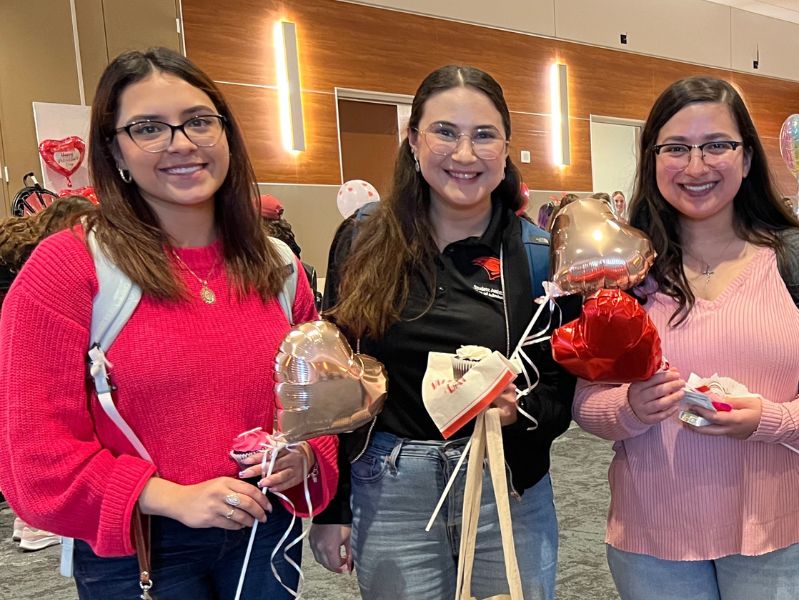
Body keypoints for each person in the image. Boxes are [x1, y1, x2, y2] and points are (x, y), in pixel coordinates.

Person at [0, 47, 335, 598]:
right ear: (115, 149)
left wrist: (304, 459)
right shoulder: (68, 268)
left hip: (265, 531)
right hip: (141, 544)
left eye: (199, 121)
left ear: (227, 135)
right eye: (149, 128)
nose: (181, 143)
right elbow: (34, 454)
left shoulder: (278, 267)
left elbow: (316, 407)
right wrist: (166, 496)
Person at [573, 75, 799, 599]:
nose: (696, 166)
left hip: (783, 527)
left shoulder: (798, 260)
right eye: (676, 148)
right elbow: (587, 401)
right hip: (655, 531)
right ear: (652, 159)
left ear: (746, 158)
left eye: (717, 146)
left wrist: (769, 419)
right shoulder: (625, 272)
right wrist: (631, 407)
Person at [308, 65, 576, 600]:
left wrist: (517, 410)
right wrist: (330, 508)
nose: (464, 154)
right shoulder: (363, 239)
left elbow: (561, 390)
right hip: (390, 487)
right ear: (413, 140)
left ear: (506, 147)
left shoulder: (540, 255)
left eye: (484, 135)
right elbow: (335, 382)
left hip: (507, 484)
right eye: (445, 132)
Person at [0, 195, 96, 552]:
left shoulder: (24, 257)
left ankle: (30, 520)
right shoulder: (57, 268)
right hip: (26, 347)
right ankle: (38, 520)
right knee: (49, 423)